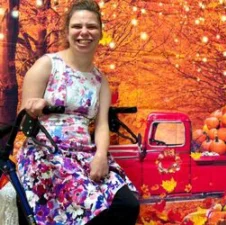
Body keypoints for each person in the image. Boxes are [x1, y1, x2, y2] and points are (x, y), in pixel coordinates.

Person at [17, 0, 140, 224]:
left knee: (127, 205)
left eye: (91, 26)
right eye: (77, 26)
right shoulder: (47, 65)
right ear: (67, 30)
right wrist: (31, 112)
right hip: (46, 154)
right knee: (92, 209)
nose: (84, 32)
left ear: (100, 32)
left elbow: (101, 124)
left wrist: (101, 156)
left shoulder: (100, 80)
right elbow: (23, 123)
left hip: (85, 153)